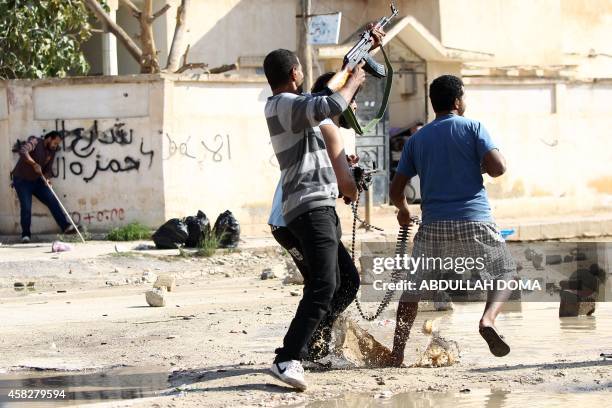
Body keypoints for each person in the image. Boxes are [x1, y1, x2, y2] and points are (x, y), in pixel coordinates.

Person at [263, 26, 384, 392]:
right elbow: (330, 100)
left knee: (344, 281)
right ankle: (289, 357)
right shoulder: (284, 105)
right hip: (307, 207)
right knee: (324, 283)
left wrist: (353, 60)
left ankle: (307, 347)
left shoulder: (302, 113)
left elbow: (327, 95)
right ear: (295, 73)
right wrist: (355, 76)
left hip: (318, 207)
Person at [386, 74, 517, 366]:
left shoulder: (417, 139)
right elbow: (498, 169)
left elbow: (396, 190)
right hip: (475, 220)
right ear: (458, 101)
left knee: (412, 290)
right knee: (505, 272)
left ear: (434, 104)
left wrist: (404, 211)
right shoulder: (473, 128)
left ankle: (397, 353)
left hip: (433, 225)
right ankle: (487, 320)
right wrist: (480, 164)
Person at [268, 72, 361, 366]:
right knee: (327, 284)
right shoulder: (324, 126)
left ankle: (313, 344)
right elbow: (347, 187)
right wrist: (352, 184)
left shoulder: (315, 125)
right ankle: (296, 351)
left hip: (291, 219)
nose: (355, 108)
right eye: (352, 101)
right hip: (294, 220)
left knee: (339, 281)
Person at [11, 131, 76, 243]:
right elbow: (23, 151)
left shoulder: (52, 151)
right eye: (55, 142)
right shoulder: (35, 141)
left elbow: (48, 169)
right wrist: (33, 164)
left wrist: (46, 179)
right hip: (22, 181)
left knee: (52, 200)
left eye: (57, 144)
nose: (55, 145)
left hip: (37, 181)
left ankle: (65, 227)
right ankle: (25, 235)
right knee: (26, 207)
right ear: (49, 138)